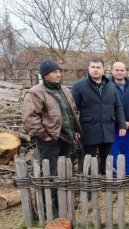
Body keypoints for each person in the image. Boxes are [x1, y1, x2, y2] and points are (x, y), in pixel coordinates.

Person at [23, 60, 82, 215]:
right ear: (45, 75)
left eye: (59, 71)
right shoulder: (36, 92)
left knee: (64, 171)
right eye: (54, 72)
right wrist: (45, 135)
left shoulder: (64, 90)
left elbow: (73, 111)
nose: (58, 74)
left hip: (66, 138)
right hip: (50, 141)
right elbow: (29, 118)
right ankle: (51, 206)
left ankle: (63, 203)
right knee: (50, 173)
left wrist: (75, 129)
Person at [71, 57, 126, 175]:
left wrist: (122, 125)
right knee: (89, 160)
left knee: (107, 159)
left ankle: (107, 182)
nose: (95, 70)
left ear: (103, 69)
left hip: (107, 128)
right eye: (93, 67)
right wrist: (75, 128)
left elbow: (118, 106)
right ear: (88, 68)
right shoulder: (79, 86)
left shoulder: (111, 86)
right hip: (88, 129)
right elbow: (73, 109)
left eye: (98, 67)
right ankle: (90, 187)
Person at [110, 62, 129, 175]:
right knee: (114, 153)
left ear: (126, 71)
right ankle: (114, 175)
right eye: (117, 70)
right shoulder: (107, 85)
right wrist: (120, 122)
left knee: (128, 152)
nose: (119, 72)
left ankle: (128, 173)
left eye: (122, 70)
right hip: (113, 127)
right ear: (112, 71)